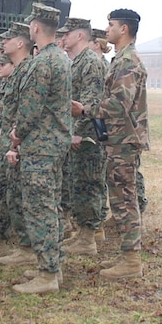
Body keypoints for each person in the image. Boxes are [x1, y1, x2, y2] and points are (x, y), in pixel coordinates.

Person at [4, 3, 72, 294]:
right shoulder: (61, 58)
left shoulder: (43, 61)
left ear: (34, 28)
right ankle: (51, 268)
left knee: (40, 208)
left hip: (41, 145)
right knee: (51, 205)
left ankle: (47, 274)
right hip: (55, 142)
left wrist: (17, 133)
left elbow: (31, 108)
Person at [94, 9, 150, 280]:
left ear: (124, 29)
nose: (107, 29)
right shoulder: (120, 58)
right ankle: (127, 255)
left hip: (124, 141)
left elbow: (119, 104)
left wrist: (86, 110)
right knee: (119, 199)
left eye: (111, 24)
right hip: (118, 139)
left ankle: (131, 261)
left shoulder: (128, 61)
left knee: (125, 200)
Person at [0, 22, 33, 257]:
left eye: (3, 64)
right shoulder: (11, 80)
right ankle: (3, 236)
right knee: (2, 190)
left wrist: (11, 139)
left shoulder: (27, 73)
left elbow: (25, 114)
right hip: (4, 143)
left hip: (16, 144)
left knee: (13, 192)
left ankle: (19, 242)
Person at [60, 17, 107, 256]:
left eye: (66, 34)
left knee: (88, 185)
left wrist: (79, 133)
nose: (63, 38)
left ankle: (88, 238)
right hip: (75, 135)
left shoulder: (90, 62)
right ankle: (82, 233)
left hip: (87, 138)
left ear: (79, 36)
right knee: (77, 184)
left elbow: (92, 103)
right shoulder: (74, 62)